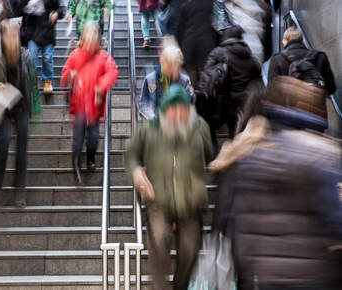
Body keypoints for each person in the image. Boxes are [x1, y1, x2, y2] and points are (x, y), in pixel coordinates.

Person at [210, 78, 342, 290]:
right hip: (315, 275)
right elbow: (336, 225)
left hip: (266, 274)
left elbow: (235, 219)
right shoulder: (320, 155)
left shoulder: (247, 154)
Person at [125, 84, 213, 290]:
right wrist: (136, 172)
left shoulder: (200, 127)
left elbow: (210, 154)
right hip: (159, 201)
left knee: (190, 249)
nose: (177, 115)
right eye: (173, 109)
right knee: (159, 243)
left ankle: (180, 286)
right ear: (164, 109)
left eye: (182, 109)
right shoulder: (149, 129)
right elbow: (130, 156)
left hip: (190, 201)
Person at [0, 19, 38, 206]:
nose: (12, 39)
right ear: (2, 36)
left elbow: (32, 83)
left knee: (22, 147)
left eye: (15, 35)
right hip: (2, 105)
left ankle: (19, 191)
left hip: (21, 104)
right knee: (4, 141)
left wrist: (33, 108)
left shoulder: (25, 55)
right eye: (8, 35)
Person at [61, 22, 118, 185]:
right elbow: (64, 74)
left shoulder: (103, 56)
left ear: (98, 37)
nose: (92, 37)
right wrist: (69, 77)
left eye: (95, 34)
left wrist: (101, 87)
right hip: (79, 106)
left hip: (94, 108)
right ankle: (76, 164)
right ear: (83, 36)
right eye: (89, 34)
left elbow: (113, 71)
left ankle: (90, 157)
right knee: (77, 139)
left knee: (93, 138)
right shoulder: (74, 55)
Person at [199, 25, 261, 140]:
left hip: (221, 103)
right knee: (236, 134)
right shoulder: (249, 55)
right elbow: (257, 75)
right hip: (244, 103)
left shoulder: (218, 52)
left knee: (209, 129)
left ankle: (215, 153)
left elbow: (207, 74)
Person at [268, 26, 336, 96]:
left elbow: (271, 90)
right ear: (302, 41)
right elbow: (331, 88)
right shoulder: (319, 56)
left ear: (285, 42)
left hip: (289, 105)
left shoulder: (278, 59)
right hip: (315, 104)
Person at [138, 37, 195, 120]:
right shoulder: (150, 79)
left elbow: (191, 101)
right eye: (170, 65)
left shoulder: (184, 80)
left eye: (177, 66)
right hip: (157, 123)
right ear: (162, 62)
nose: (174, 69)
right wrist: (151, 115)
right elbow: (143, 103)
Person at [20, 0, 65, 94]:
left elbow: (62, 9)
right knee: (31, 59)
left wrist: (57, 13)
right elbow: (22, 8)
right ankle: (32, 82)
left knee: (47, 58)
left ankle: (47, 81)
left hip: (48, 33)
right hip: (33, 33)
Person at [175, 0, 218, 88]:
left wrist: (178, 47)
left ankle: (193, 99)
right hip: (207, 46)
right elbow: (218, 26)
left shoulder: (186, 6)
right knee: (206, 80)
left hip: (189, 46)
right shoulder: (212, 5)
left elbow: (179, 30)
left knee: (191, 82)